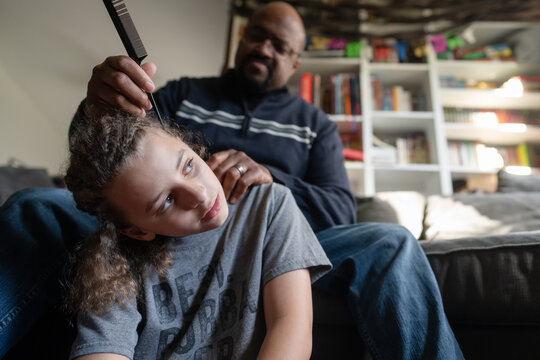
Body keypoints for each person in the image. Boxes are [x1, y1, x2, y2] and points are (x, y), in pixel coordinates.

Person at [0, 2, 464, 359]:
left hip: (272, 241)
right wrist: (95, 107)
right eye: (258, 36)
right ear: (242, 38)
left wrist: (270, 178)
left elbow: (340, 209)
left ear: (295, 63)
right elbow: (103, 168)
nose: (265, 49)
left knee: (393, 242)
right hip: (165, 234)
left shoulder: (313, 123)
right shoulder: (182, 93)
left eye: (280, 47)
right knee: (33, 206)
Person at [64, 113, 330, 359]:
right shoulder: (110, 263)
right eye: (168, 200)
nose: (200, 195)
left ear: (186, 145)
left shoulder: (269, 204)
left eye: (188, 166)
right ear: (137, 230)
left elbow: (291, 326)